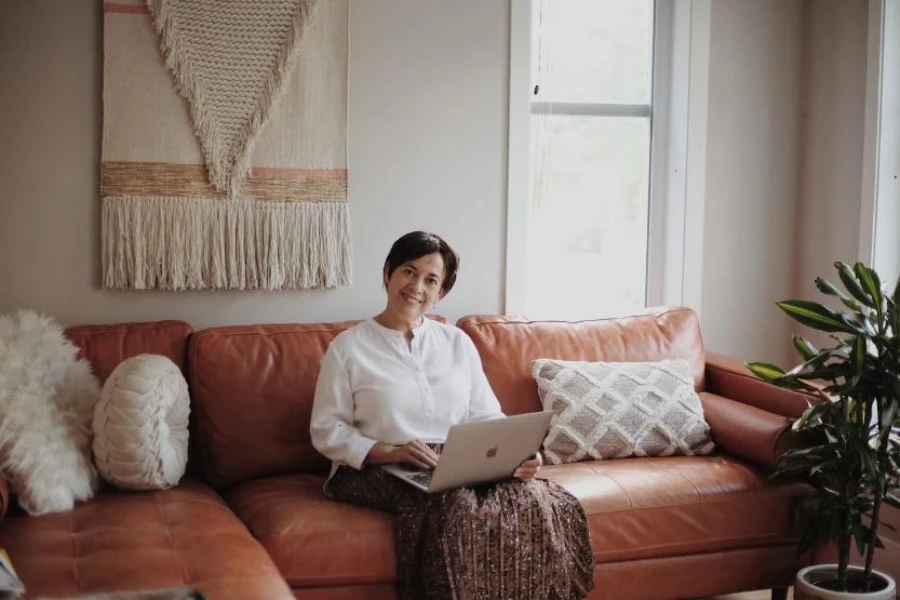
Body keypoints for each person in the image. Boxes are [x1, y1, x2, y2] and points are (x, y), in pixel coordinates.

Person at [310, 231, 594, 600]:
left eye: (431, 280)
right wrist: (390, 451)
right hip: (372, 467)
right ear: (387, 274)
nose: (417, 287)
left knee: (537, 499)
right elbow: (327, 430)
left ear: (441, 292)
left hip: (454, 459)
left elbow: (486, 414)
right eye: (409, 272)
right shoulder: (348, 348)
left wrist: (517, 457)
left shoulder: (456, 342)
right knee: (456, 503)